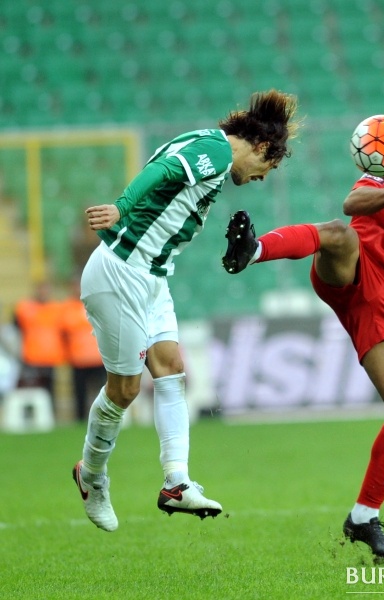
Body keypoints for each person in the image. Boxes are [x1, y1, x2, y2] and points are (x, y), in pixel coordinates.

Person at [222, 105, 384, 559]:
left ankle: (363, 517)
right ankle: (252, 250)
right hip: (353, 267)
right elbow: (352, 204)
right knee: (339, 232)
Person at [73, 90, 300, 532]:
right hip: (121, 273)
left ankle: (176, 483)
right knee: (124, 391)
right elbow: (163, 171)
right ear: (261, 147)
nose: (261, 178)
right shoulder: (217, 150)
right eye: (268, 167)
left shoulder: (209, 146)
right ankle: (92, 475)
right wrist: (121, 207)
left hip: (153, 277)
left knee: (172, 369)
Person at [60, 278, 106, 420]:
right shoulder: (66, 308)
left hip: (98, 357)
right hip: (78, 358)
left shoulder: (96, 303)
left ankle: (103, 418)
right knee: (80, 393)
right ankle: (81, 419)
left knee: (102, 392)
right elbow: (62, 333)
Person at [13, 281, 66, 405]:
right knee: (33, 389)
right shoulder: (24, 307)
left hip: (50, 356)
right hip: (31, 356)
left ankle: (50, 412)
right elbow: (15, 329)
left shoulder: (57, 308)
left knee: (50, 389)